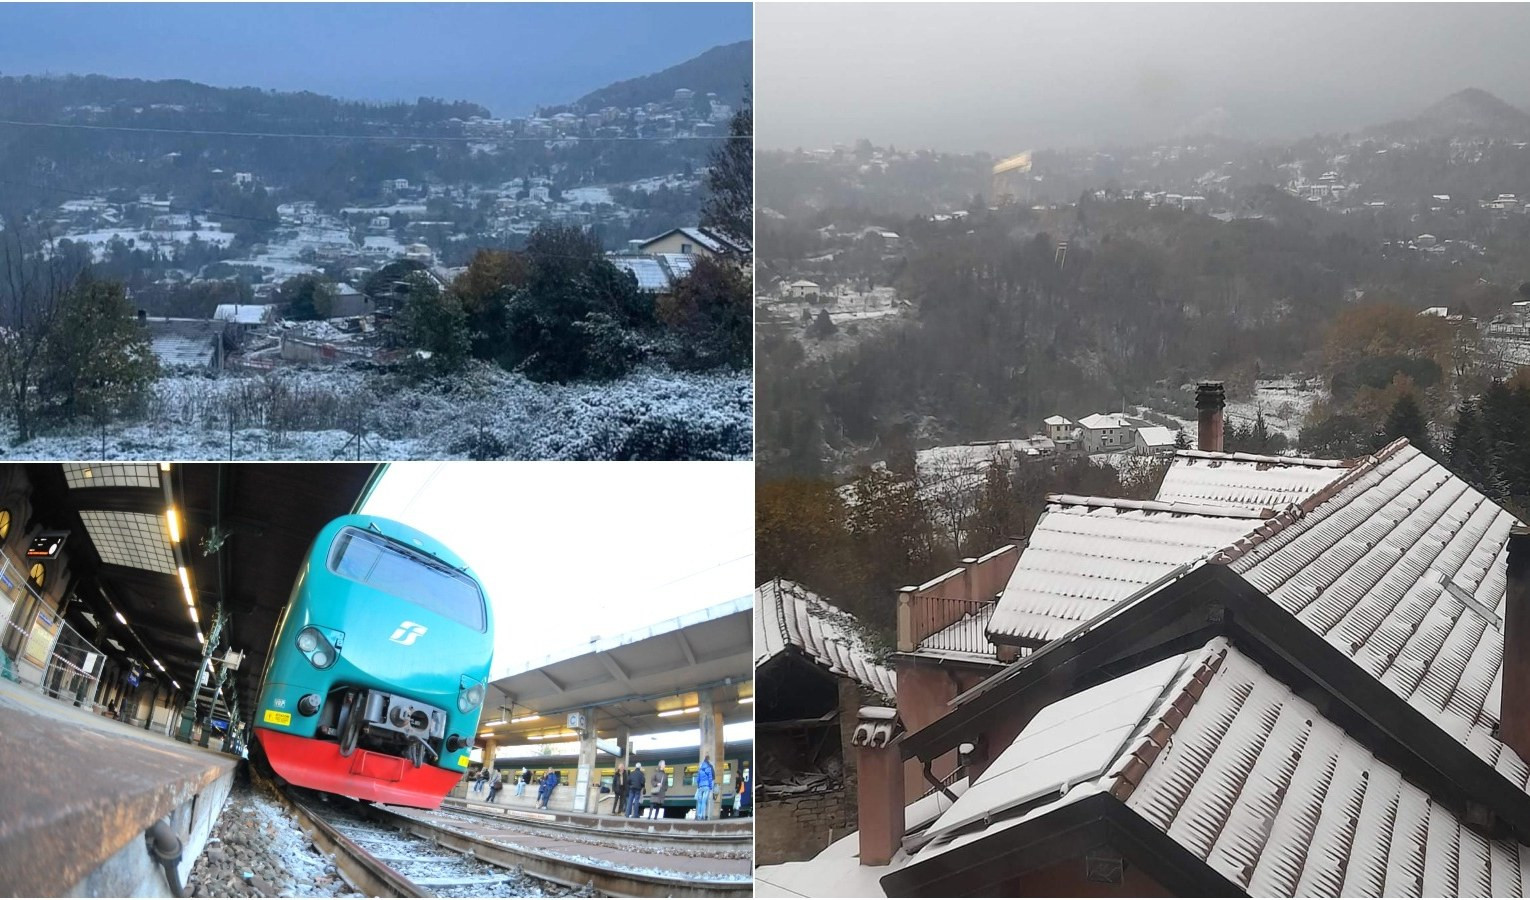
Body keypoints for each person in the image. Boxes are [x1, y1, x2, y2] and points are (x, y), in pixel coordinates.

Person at [695, 754, 716, 820]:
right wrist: (710, 787)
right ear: (708, 760)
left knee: (700, 802)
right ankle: (702, 816)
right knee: (704, 801)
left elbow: (697, 779)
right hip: (706, 787)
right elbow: (710, 778)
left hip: (700, 787)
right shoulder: (709, 768)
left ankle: (698, 816)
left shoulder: (700, 769)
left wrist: (698, 786)